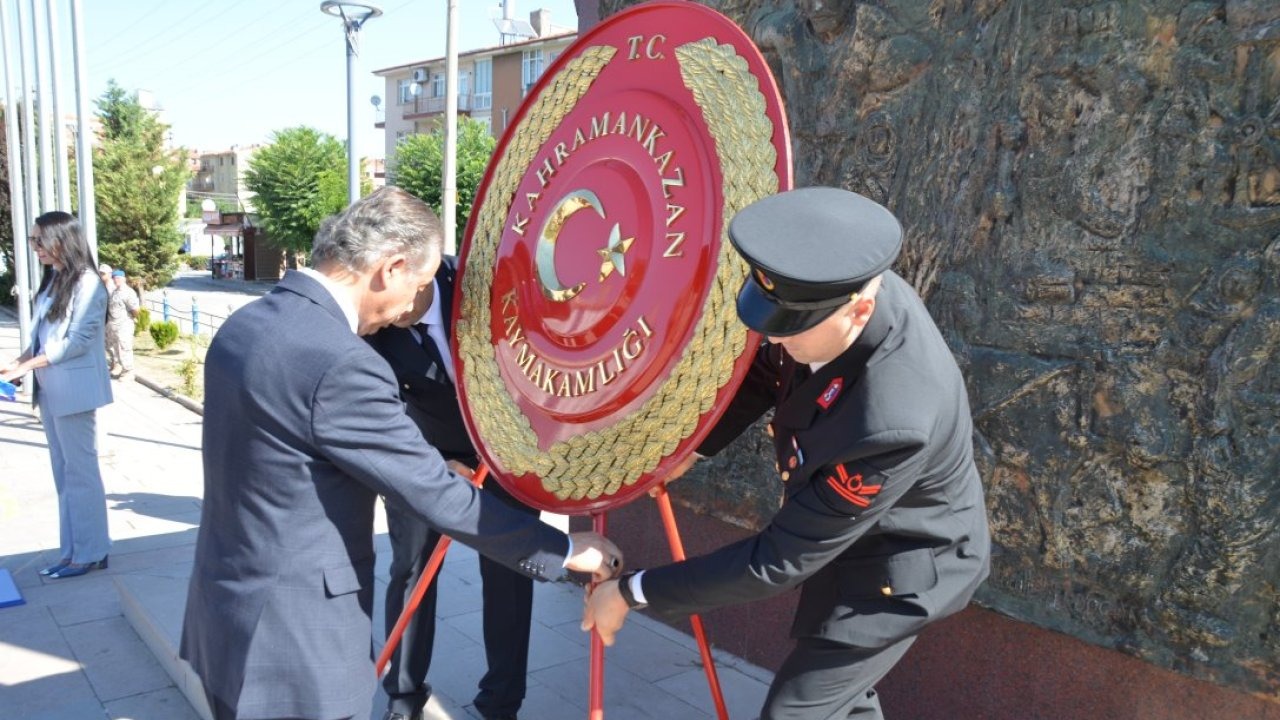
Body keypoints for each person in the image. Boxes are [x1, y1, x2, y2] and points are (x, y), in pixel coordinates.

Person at [180, 187, 623, 720]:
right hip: (294, 648)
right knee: (412, 573)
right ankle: (406, 697)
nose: (413, 300)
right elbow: (432, 494)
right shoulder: (342, 359)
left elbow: (296, 457)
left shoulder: (247, 325)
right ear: (391, 268)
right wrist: (566, 549)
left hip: (227, 620)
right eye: (417, 282)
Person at [582, 187, 991, 720]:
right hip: (841, 535)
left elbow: (777, 561)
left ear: (860, 311)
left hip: (900, 566)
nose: (776, 341)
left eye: (791, 330)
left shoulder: (892, 420)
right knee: (842, 709)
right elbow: (766, 370)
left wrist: (631, 593)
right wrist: (694, 449)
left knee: (794, 713)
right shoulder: (835, 292)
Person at [367, 256, 540, 720]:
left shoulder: (479, 282)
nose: (384, 304)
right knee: (412, 573)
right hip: (422, 454)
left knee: (510, 574)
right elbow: (377, 406)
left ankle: (501, 704)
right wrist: (431, 463)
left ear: (420, 271)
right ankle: (403, 699)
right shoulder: (373, 316)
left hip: (506, 452)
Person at [0, 211, 113, 579]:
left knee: (81, 473)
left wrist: (26, 367)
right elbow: (42, 335)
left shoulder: (89, 283)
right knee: (64, 474)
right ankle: (73, 551)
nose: (35, 247)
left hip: (75, 391)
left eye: (40, 240)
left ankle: (91, 552)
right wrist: (17, 363)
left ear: (63, 240)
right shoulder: (54, 280)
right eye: (33, 240)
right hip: (50, 388)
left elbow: (76, 342)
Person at [106, 268, 140, 379]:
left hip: (124, 325)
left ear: (124, 279)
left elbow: (135, 310)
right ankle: (120, 369)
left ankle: (128, 372)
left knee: (124, 348)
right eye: (114, 278)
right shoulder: (114, 292)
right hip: (114, 326)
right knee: (116, 349)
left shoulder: (128, 292)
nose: (116, 280)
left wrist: (131, 318)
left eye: (118, 278)